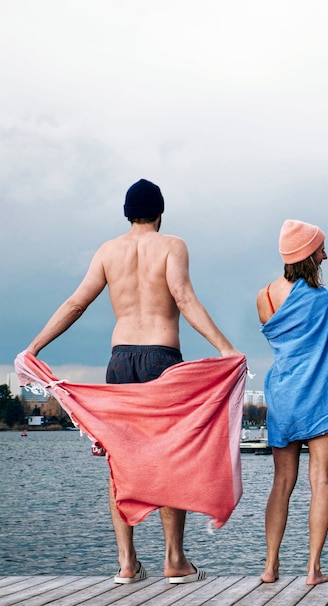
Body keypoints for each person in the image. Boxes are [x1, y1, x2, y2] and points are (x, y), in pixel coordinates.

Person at [24, 178, 241, 584]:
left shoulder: (108, 251)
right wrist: (225, 349)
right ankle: (175, 560)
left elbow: (76, 303)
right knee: (170, 459)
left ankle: (127, 563)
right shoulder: (172, 245)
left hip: (119, 362)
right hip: (163, 360)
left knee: (120, 463)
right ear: (160, 214)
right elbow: (184, 298)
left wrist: (33, 348)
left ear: (128, 214)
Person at [256, 220, 328, 585]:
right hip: (323, 399)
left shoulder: (265, 298)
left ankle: (270, 567)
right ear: (308, 255)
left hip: (285, 398)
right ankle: (312, 569)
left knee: (281, 483)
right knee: (320, 481)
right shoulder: (326, 301)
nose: (326, 254)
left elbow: (286, 348)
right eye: (321, 248)